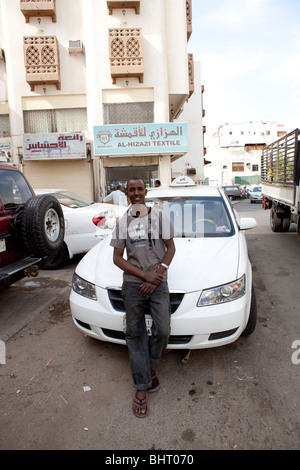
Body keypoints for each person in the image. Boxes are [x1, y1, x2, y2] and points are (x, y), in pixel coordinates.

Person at [110, 177, 175, 418]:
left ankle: (149, 364)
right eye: (131, 190)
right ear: (126, 193)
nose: (136, 193)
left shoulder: (158, 217)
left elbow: (171, 248)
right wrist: (144, 276)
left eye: (139, 189)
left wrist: (157, 274)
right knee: (135, 334)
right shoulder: (123, 222)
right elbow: (118, 258)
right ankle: (141, 387)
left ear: (146, 191)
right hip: (133, 285)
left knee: (163, 328)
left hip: (158, 281)